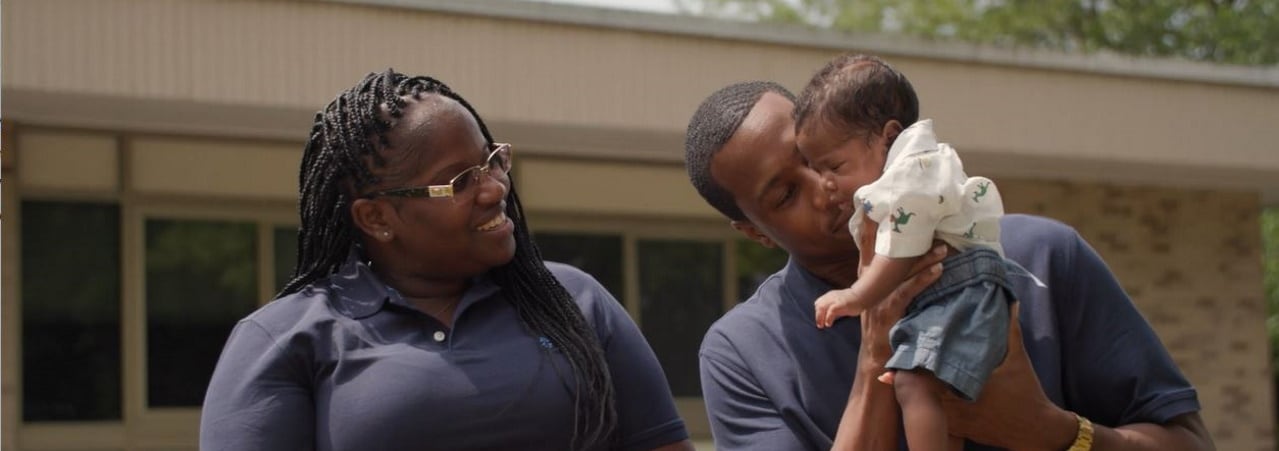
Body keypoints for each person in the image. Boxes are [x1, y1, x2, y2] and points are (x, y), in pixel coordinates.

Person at [683, 62, 1214, 450]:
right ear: (756, 234)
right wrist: (875, 353)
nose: (824, 187)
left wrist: (1056, 432)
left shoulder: (1045, 256)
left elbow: (1189, 442)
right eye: (785, 195)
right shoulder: (744, 354)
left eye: (817, 157)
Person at [200, 69, 694, 451]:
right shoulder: (286, 339)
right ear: (376, 217)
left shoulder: (573, 301)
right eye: (460, 181)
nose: (494, 188)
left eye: (492, 160)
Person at [796, 54, 1016, 451]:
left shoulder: (915, 171)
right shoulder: (897, 185)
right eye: (816, 170)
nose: (824, 184)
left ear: (889, 136)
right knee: (939, 400)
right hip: (954, 290)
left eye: (834, 166)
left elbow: (903, 250)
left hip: (962, 285)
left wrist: (856, 295)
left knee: (914, 384)